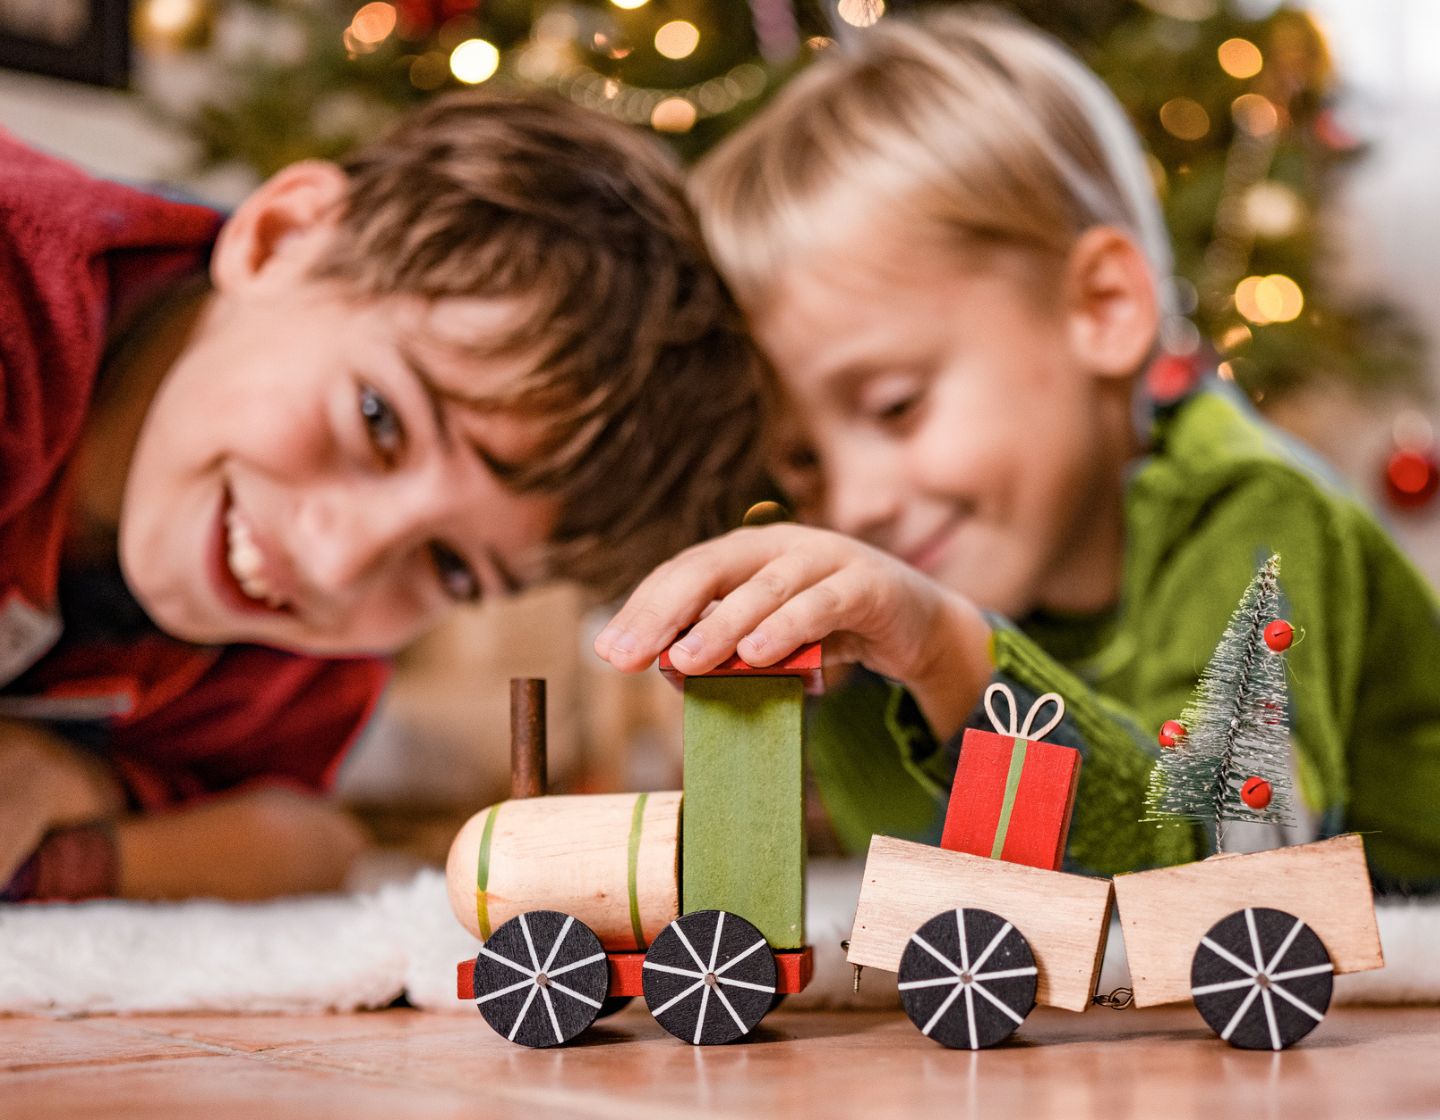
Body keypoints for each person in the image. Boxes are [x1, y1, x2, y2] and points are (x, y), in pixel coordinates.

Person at [595, 10, 1440, 892]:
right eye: (802, 463)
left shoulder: (1255, 512)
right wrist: (848, 698)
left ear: (1102, 308)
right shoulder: (967, 572)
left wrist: (959, 658)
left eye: (895, 406)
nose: (852, 507)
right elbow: (934, 881)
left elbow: (1233, 873)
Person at [0, 90, 763, 901]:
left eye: (451, 566)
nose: (338, 563)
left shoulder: (288, 647)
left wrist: (63, 785)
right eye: (379, 418)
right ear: (281, 240)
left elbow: (305, 838)